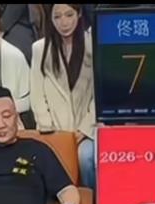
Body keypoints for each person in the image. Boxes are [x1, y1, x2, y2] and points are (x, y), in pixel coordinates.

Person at [31, 3, 95, 187]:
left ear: (79, 14)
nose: (64, 22)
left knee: (86, 156)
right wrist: (48, 127)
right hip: (53, 129)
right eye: (57, 17)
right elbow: (36, 92)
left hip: (86, 130)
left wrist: (84, 130)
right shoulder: (40, 48)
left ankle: (91, 197)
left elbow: (99, 94)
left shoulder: (92, 45)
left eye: (69, 15)